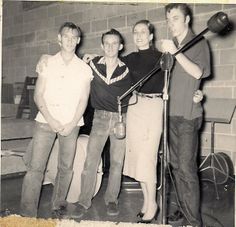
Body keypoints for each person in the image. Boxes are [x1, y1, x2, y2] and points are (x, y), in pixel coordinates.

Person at [20, 22, 93, 218]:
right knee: (36, 168)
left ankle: (58, 204)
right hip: (46, 122)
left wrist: (71, 124)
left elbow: (83, 100)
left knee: (66, 167)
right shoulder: (47, 63)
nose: (69, 40)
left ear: (78, 40)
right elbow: (38, 95)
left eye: (73, 37)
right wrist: (51, 120)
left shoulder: (84, 69)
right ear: (59, 38)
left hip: (72, 124)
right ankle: (27, 215)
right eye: (65, 36)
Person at [66, 28, 131, 218]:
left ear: (120, 46)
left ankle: (111, 200)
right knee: (91, 161)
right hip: (100, 118)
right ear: (102, 46)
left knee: (117, 162)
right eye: (107, 43)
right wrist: (45, 56)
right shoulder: (91, 64)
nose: (111, 47)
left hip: (121, 119)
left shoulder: (127, 69)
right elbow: (69, 61)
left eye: (114, 43)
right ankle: (83, 201)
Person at [159, 3, 211, 227]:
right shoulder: (172, 46)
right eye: (169, 20)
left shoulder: (198, 41)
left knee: (187, 169)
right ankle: (182, 209)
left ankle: (193, 221)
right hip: (170, 114)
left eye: (176, 18)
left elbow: (198, 72)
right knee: (176, 167)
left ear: (187, 20)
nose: (171, 24)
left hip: (188, 116)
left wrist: (175, 52)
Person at [121, 20, 164, 224]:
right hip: (135, 106)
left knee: (148, 157)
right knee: (139, 158)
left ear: (151, 35)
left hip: (154, 107)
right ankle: (147, 202)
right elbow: (110, 62)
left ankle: (153, 203)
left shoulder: (162, 58)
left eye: (143, 32)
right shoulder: (130, 59)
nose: (138, 36)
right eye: (135, 32)